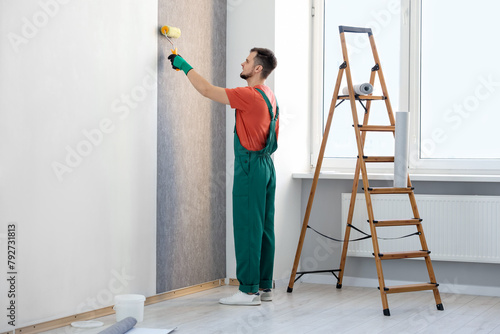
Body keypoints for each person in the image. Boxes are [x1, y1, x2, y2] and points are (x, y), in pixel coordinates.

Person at [168, 48, 278, 306]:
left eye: (248, 60)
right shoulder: (269, 95)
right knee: (264, 229)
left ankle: (248, 292)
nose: (243, 62)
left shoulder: (249, 95)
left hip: (250, 167)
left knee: (247, 227)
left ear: (258, 69)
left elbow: (206, 90)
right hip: (266, 166)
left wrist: (184, 65)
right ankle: (264, 287)